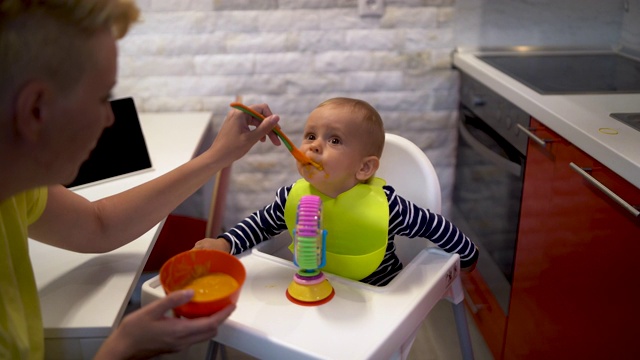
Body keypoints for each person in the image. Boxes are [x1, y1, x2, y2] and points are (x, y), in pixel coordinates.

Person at [0, 0, 281, 359]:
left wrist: (217, 156)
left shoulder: (17, 188)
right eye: (104, 97)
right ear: (34, 110)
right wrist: (119, 349)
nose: (110, 118)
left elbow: (98, 225)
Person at [195, 97, 479, 286]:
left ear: (364, 168)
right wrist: (226, 243)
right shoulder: (291, 197)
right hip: (315, 287)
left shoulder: (388, 206)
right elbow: (259, 225)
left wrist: (467, 256)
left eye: (334, 140)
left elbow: (434, 226)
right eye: (310, 136)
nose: (314, 146)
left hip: (376, 297)